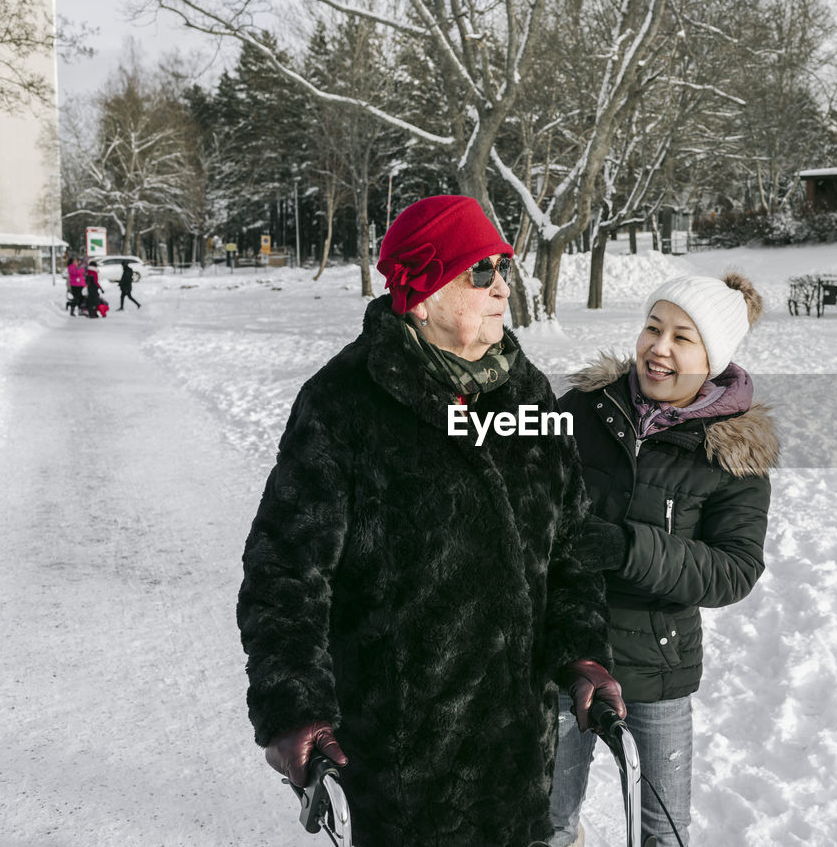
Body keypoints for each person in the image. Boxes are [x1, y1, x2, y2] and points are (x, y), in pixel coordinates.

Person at [238, 194, 625, 846]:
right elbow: (286, 572)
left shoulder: (524, 388)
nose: (505, 286)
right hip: (404, 768)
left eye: (505, 266)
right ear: (421, 292)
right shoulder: (342, 405)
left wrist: (583, 651)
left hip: (517, 753)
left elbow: (570, 542)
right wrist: (293, 706)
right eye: (481, 272)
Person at [550, 272, 778, 847]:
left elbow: (735, 569)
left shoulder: (732, 455)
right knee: (544, 816)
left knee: (663, 830)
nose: (659, 348)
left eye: (683, 338)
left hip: (657, 668)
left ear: (714, 358)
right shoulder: (583, 408)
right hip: (563, 649)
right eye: (653, 328)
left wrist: (630, 549)